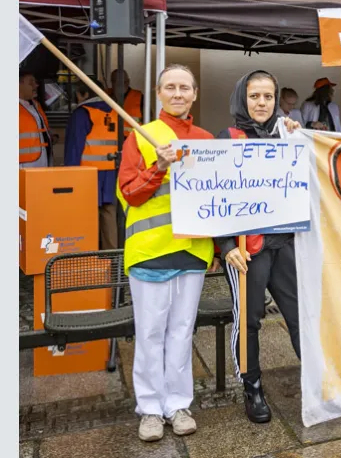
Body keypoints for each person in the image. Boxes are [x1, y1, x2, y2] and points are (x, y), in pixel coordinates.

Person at [116, 65, 214, 442]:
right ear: (159, 93)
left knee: (181, 332)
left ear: (194, 94)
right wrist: (157, 166)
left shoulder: (205, 139)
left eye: (184, 87)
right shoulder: (140, 137)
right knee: (151, 333)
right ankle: (151, 410)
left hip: (192, 252)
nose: (178, 93)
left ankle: (178, 404)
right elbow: (130, 193)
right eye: (170, 87)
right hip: (150, 252)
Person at [211, 70, 303, 423]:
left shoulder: (288, 133)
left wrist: (298, 136)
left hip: (286, 244)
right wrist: (224, 245)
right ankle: (252, 387)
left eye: (268, 97)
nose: (262, 103)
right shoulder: (228, 137)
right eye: (254, 96)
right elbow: (213, 193)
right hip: (247, 250)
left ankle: (314, 378)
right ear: (242, 99)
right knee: (248, 320)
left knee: (299, 316)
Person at [63, 83, 119, 250]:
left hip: (86, 173)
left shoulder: (82, 113)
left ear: (84, 93)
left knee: (87, 215)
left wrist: (69, 177)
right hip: (111, 172)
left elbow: (74, 147)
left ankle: (88, 255)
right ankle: (111, 258)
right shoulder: (115, 111)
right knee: (109, 215)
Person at [19, 70, 53, 168]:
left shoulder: (35, 105)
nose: (36, 85)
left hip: (42, 163)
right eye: (31, 83)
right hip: (24, 166)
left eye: (35, 82)